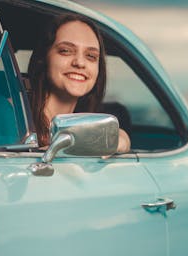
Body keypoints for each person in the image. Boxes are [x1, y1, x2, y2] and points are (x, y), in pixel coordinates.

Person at [28, 14, 130, 153]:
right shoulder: (8, 114)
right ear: (43, 58)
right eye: (66, 51)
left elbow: (121, 138)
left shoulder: (86, 122)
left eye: (91, 56)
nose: (80, 63)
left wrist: (121, 140)